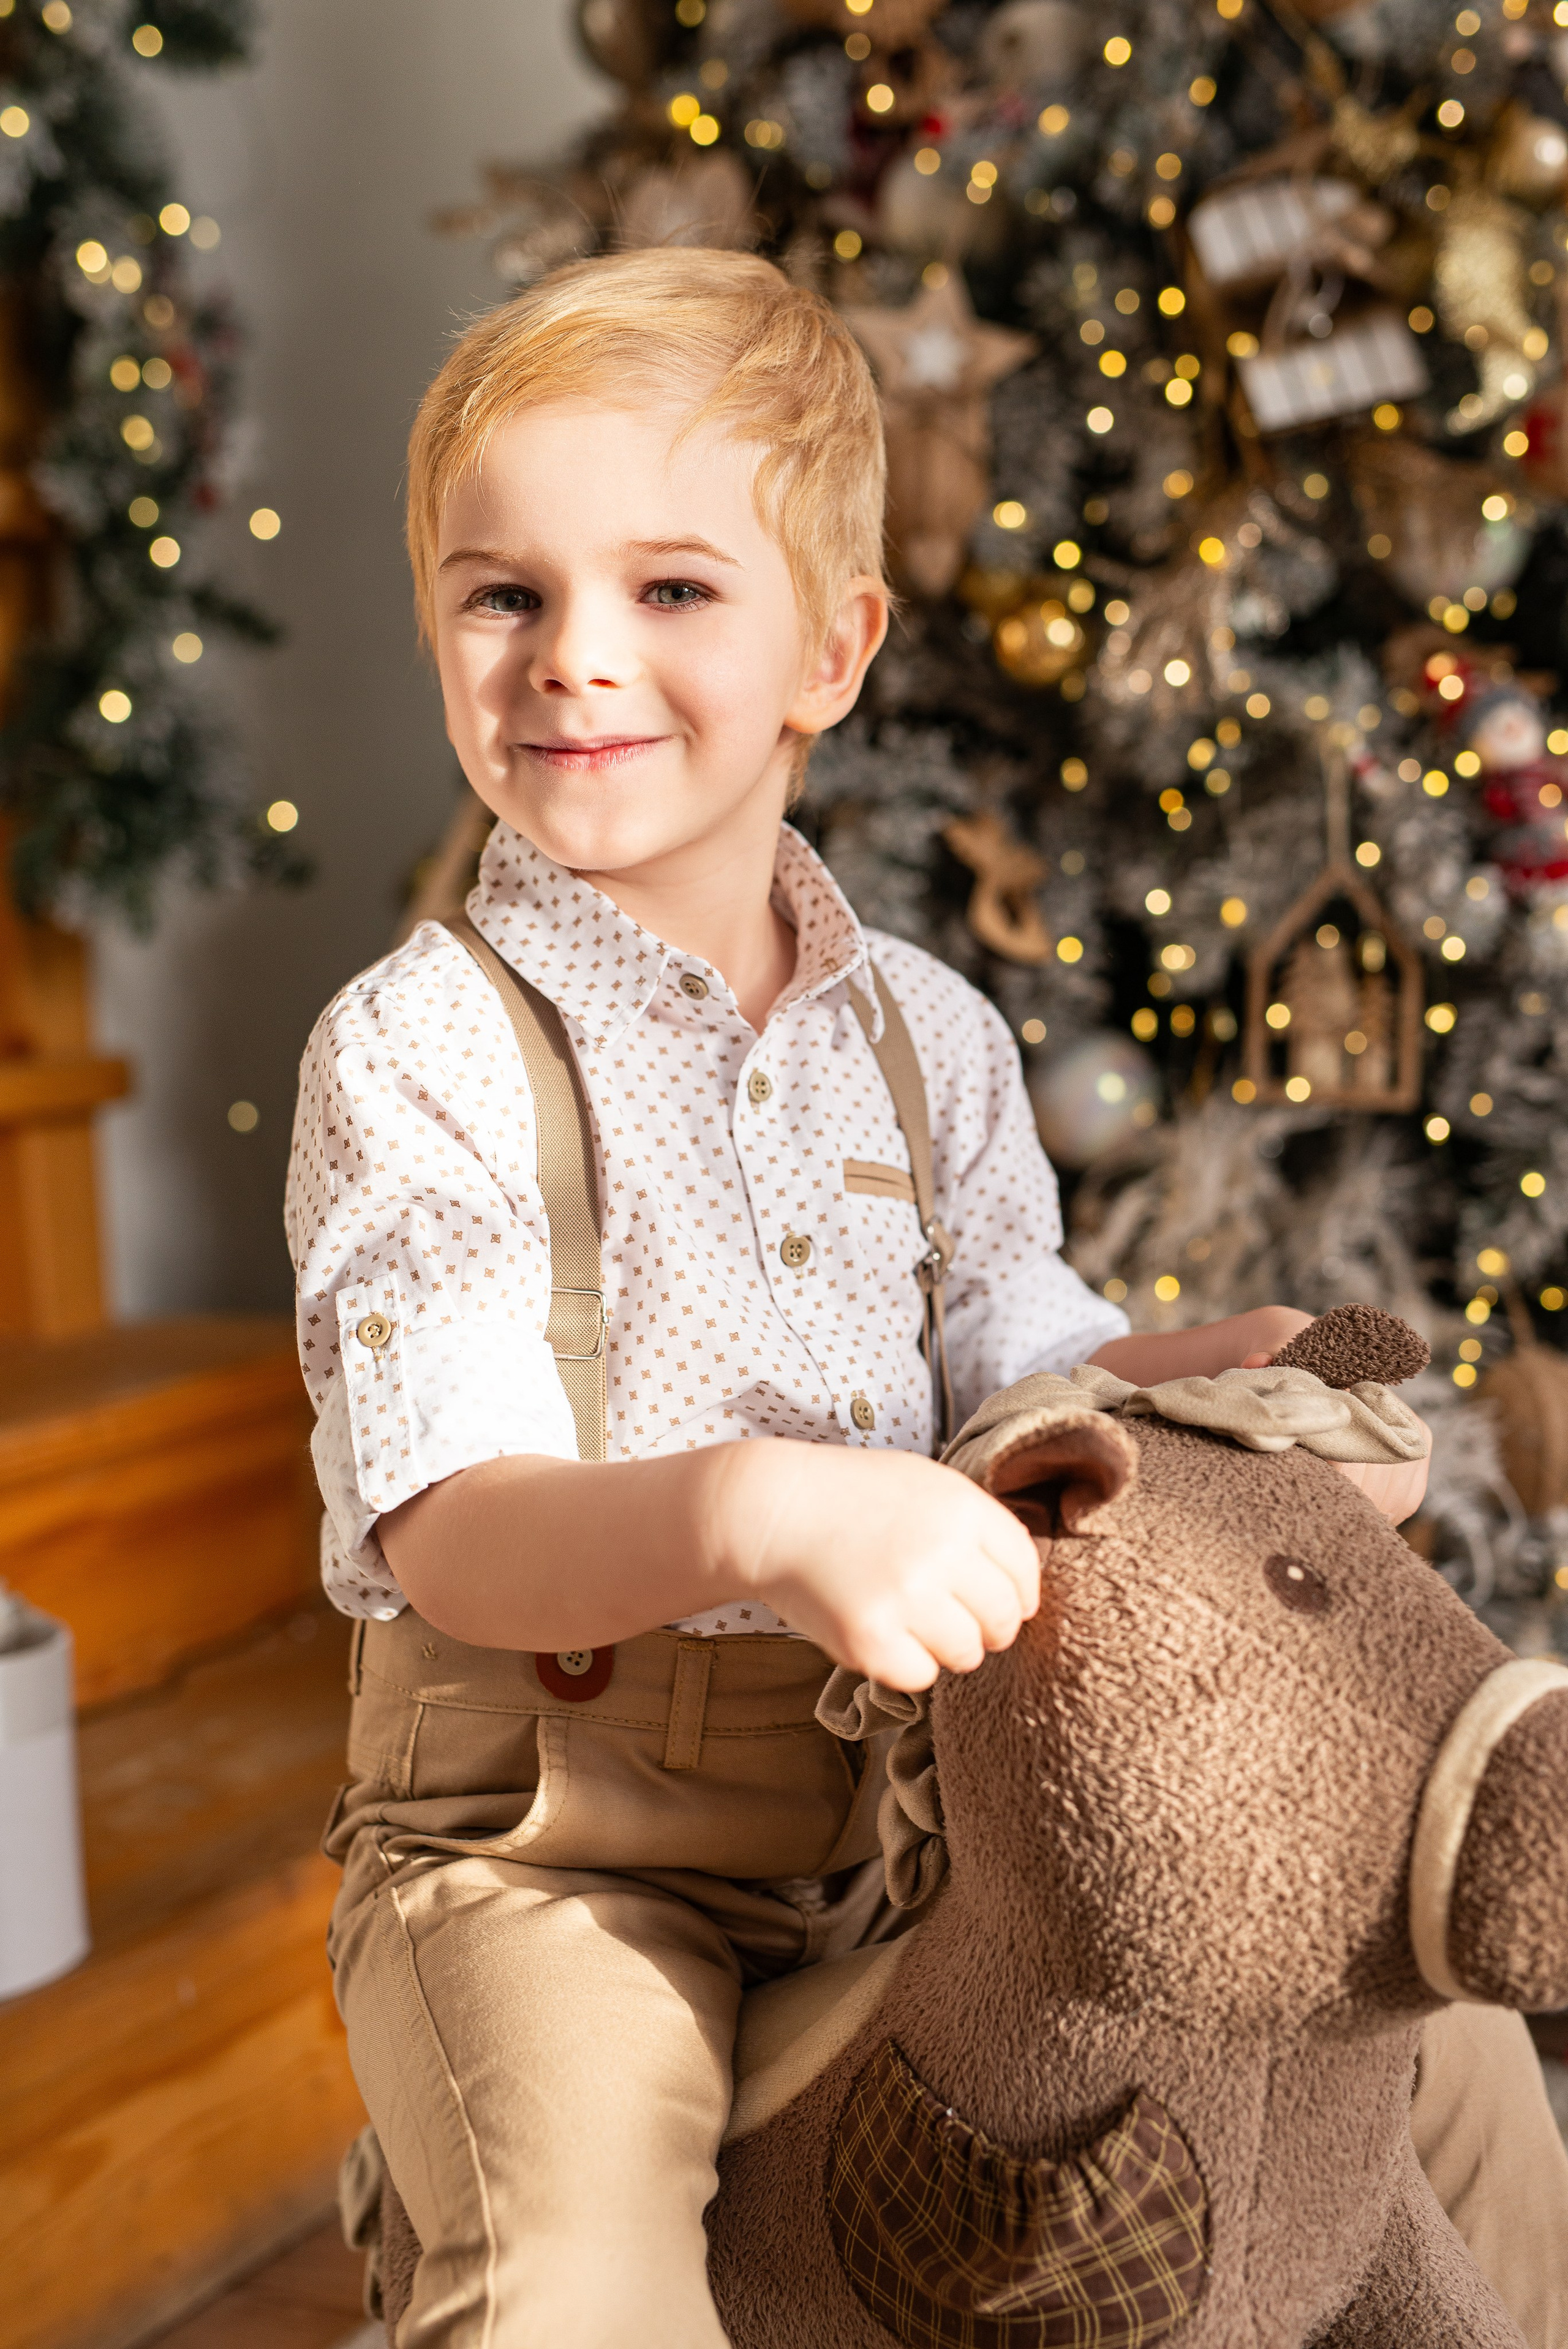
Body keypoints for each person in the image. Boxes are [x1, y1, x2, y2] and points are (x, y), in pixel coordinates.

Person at [288, 247, 1557, 2348]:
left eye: (670, 588)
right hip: (553, 1847)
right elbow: (449, 1524)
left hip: (909, 1816)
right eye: (502, 594)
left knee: (1414, 2016)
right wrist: (757, 1512)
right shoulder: (421, 1050)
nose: (573, 656)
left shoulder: (929, 1039)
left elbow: (1028, 1368)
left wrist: (1206, 1378)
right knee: (577, 2261)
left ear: (833, 647)